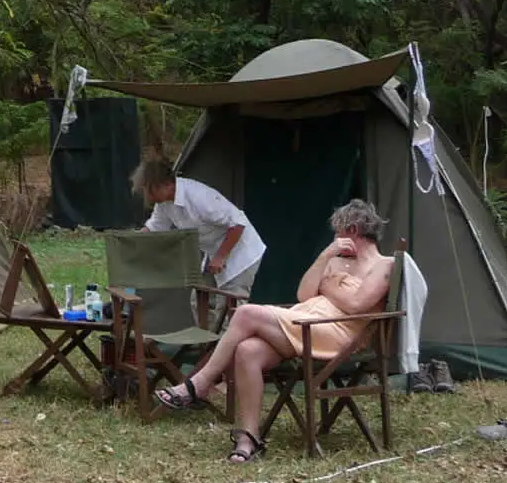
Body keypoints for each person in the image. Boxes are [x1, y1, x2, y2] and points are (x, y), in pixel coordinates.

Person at [153, 199, 396, 462]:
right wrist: (326, 255)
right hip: (304, 323)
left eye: (338, 232)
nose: (336, 238)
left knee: (246, 313)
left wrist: (327, 288)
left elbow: (356, 305)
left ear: (353, 231)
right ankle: (248, 440)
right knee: (248, 350)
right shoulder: (335, 261)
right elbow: (304, 294)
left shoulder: (384, 265)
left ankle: (200, 383)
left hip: (336, 335)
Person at [132, 159, 266, 299]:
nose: (148, 197)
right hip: (214, 253)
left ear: (166, 184)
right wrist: (132, 239)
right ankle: (208, 322)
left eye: (150, 191)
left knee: (228, 307)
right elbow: (155, 227)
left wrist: (221, 257)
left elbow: (238, 223)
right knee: (199, 300)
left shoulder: (198, 197)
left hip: (241, 254)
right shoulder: (164, 204)